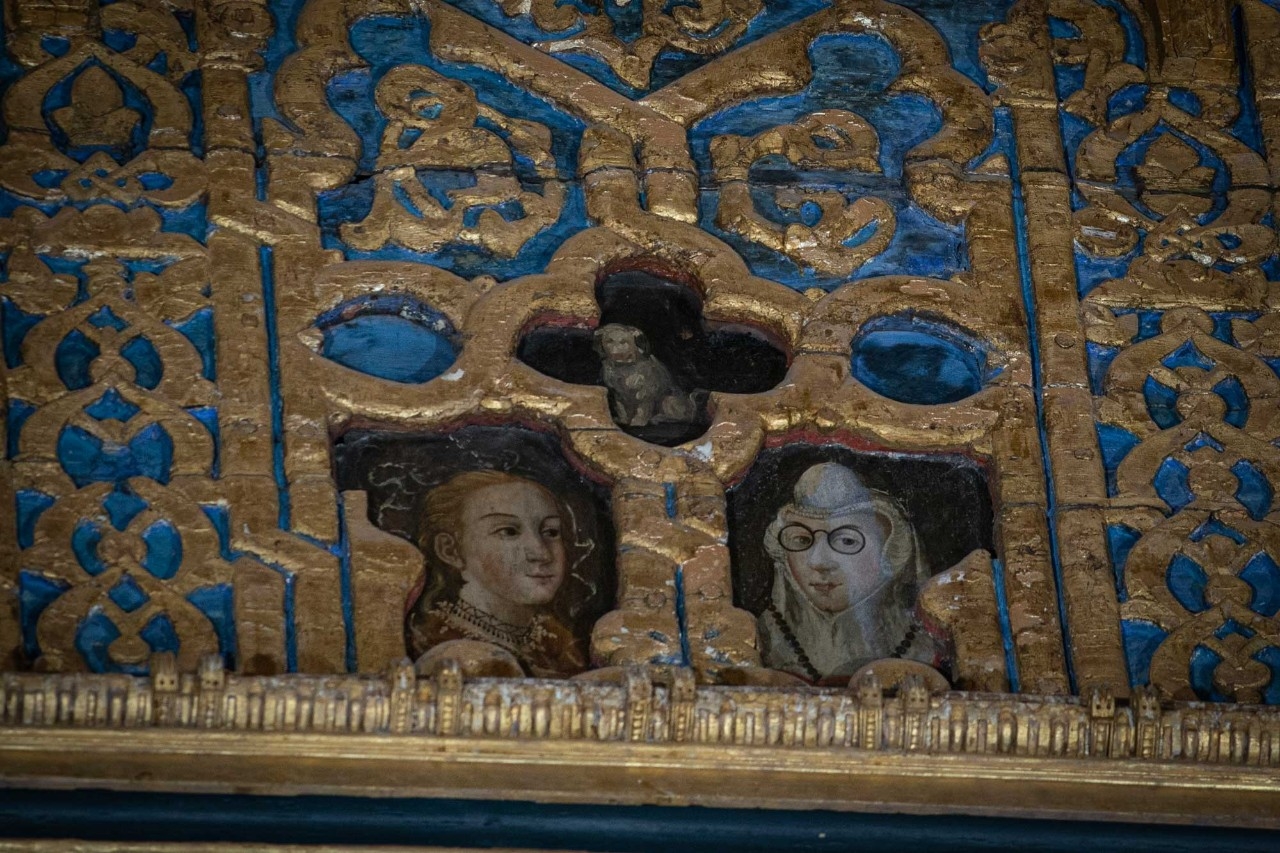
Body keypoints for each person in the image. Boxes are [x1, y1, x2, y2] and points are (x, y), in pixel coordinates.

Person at [757, 462, 936, 683]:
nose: (819, 562)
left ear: (891, 554)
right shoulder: (757, 638)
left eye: (847, 541)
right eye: (802, 540)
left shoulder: (930, 642)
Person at [406, 470, 587, 678]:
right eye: (508, 532)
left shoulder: (559, 644)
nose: (542, 553)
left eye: (551, 532)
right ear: (451, 550)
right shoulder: (431, 643)